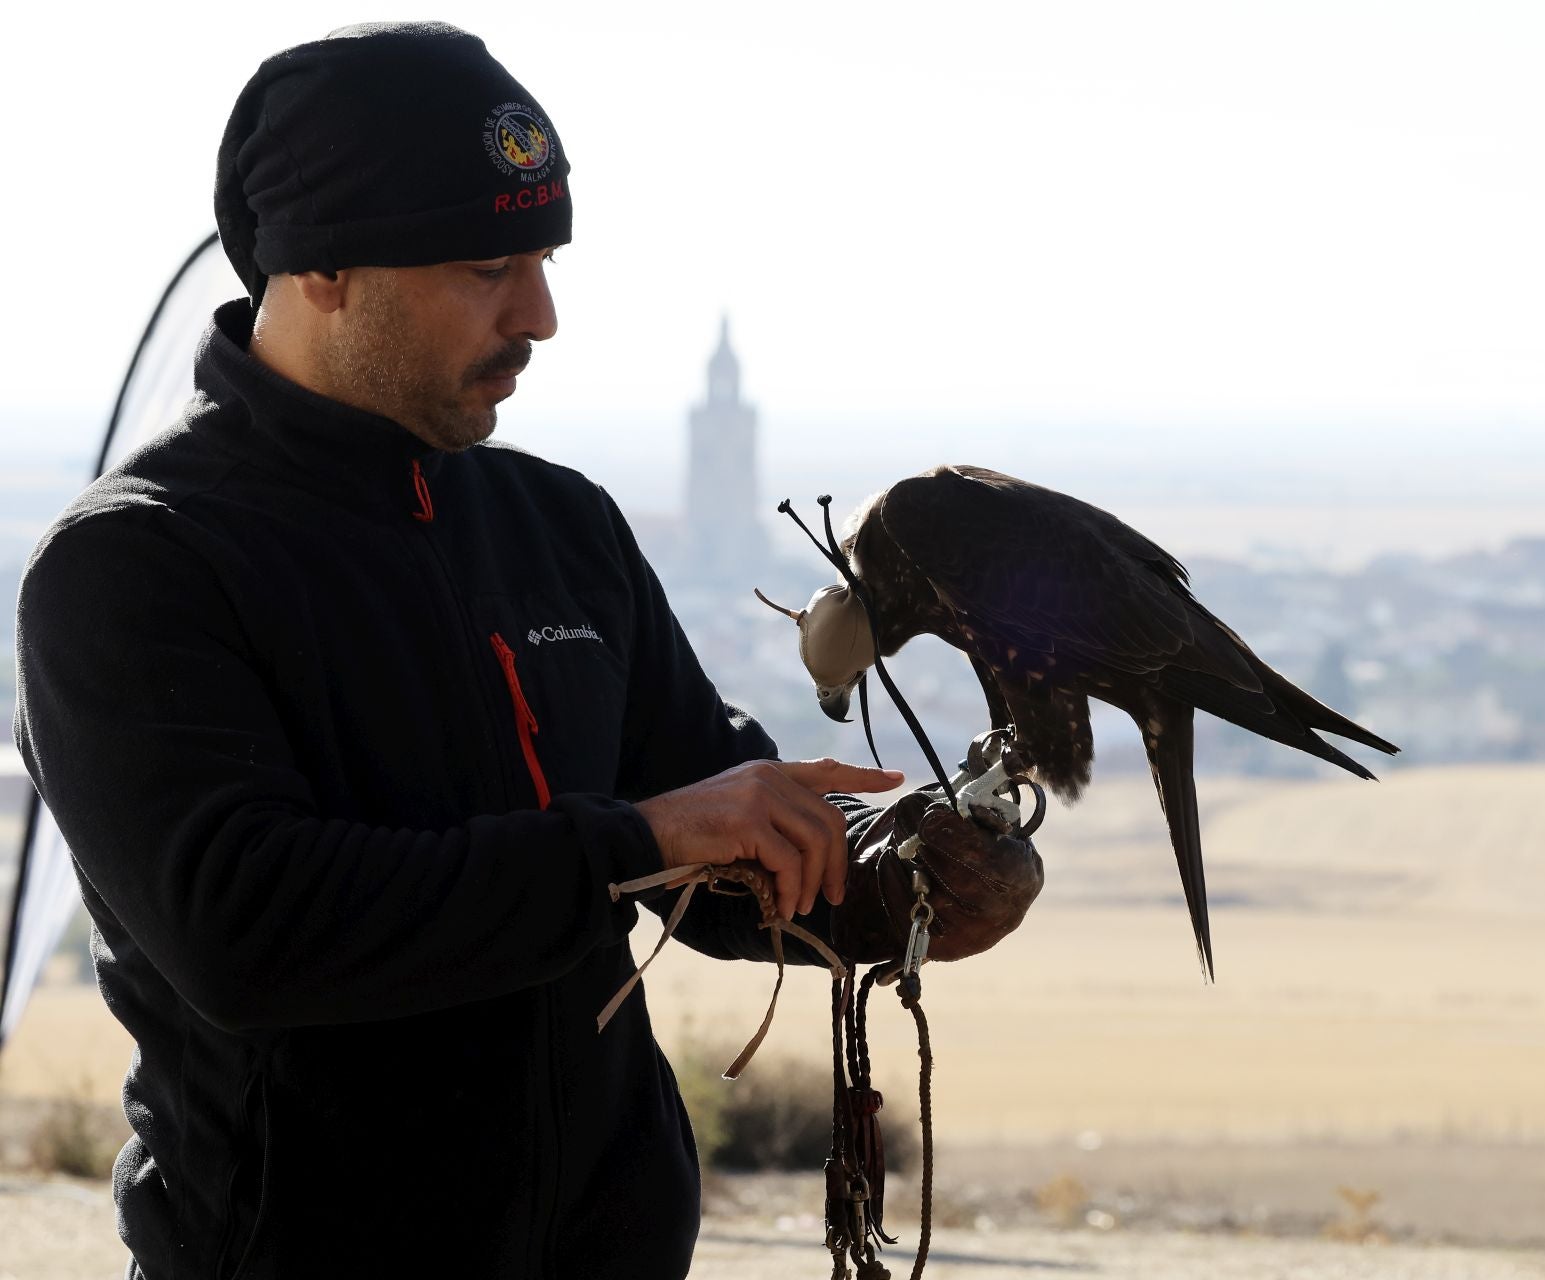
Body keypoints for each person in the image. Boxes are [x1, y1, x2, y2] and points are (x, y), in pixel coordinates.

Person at [13, 23, 1033, 1279]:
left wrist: (897, 884)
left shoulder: (559, 525)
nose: (542, 314)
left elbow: (710, 846)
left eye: (544, 259)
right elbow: (246, 930)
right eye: (490, 264)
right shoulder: (137, 565)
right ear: (323, 264)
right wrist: (644, 837)